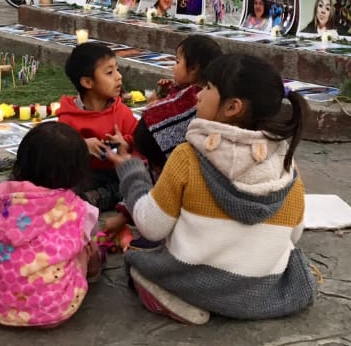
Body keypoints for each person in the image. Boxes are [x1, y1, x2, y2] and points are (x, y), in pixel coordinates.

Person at [107, 54, 317, 324]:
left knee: (139, 257)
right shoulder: (288, 166)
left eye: (207, 88)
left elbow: (152, 226)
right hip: (261, 290)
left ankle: (178, 300)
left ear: (232, 107)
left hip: (195, 283)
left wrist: (132, 172)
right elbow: (295, 235)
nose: (197, 95)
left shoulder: (188, 157)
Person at [0, 122, 103, 328]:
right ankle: (93, 274)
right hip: (57, 309)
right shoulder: (81, 210)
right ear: (78, 172)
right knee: (89, 248)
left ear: (21, 162)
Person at [56, 42, 137, 214]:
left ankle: (94, 199)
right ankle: (84, 199)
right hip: (86, 175)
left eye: (117, 69)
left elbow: (137, 140)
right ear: (87, 82)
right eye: (109, 72)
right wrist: (82, 145)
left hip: (115, 173)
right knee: (65, 185)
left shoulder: (121, 111)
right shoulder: (69, 115)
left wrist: (124, 142)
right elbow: (59, 150)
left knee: (131, 182)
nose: (118, 77)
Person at [133, 35, 223, 178]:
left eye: (177, 62)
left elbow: (148, 131)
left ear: (193, 68)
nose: (173, 67)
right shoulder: (193, 93)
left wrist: (154, 106)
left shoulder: (193, 100)